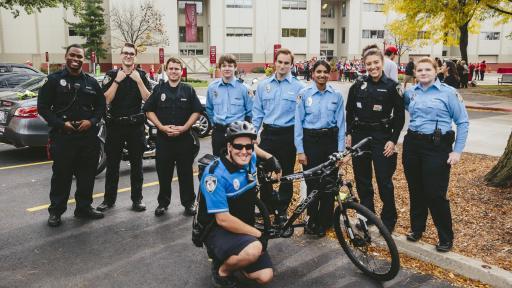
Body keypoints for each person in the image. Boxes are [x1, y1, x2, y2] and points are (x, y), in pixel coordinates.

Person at [197, 121, 281, 287]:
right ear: (229, 146)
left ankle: (238, 259)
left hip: (242, 225)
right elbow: (223, 220)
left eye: (248, 147)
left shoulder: (250, 159)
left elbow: (255, 149)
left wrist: (271, 158)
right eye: (238, 146)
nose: (244, 152)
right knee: (255, 248)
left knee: (265, 276)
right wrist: (258, 234)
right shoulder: (214, 175)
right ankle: (222, 270)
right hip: (217, 229)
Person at [403, 57, 469, 252]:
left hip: (437, 146)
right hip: (413, 144)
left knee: (435, 193)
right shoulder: (410, 93)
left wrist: (457, 151)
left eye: (427, 69)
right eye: (419, 70)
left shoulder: (448, 93)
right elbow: (408, 108)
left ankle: (445, 237)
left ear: (436, 70)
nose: (423, 73)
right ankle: (417, 228)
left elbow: (463, 122)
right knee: (416, 190)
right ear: (415, 73)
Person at [37, 44, 106, 227]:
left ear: (84, 60)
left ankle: (83, 208)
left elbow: (101, 106)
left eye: (79, 57)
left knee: (86, 176)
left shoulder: (91, 82)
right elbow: (43, 108)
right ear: (66, 56)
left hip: (87, 138)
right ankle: (56, 212)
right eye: (72, 55)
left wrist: (91, 122)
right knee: (61, 176)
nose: (75, 59)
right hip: (63, 137)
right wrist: (61, 124)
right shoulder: (53, 80)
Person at [345, 44, 405, 233]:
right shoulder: (358, 85)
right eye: (369, 64)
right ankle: (367, 216)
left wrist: (393, 140)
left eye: (376, 63)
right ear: (364, 65)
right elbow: (349, 111)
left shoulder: (393, 87)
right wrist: (349, 133)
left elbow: (400, 116)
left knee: (383, 180)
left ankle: (388, 219)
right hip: (360, 136)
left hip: (382, 137)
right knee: (362, 179)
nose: (372, 67)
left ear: (382, 62)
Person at [144, 57, 202, 217]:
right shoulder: (159, 90)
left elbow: (197, 111)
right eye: (171, 68)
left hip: (184, 140)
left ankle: (189, 203)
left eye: (177, 69)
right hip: (164, 140)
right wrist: (161, 127)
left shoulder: (188, 90)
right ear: (166, 70)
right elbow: (149, 110)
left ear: (181, 71)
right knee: (164, 174)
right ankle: (163, 203)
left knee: (185, 174)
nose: (174, 71)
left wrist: (184, 128)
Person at [252, 48, 305, 226]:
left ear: (291, 65)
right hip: (268, 134)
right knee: (263, 172)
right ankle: (267, 208)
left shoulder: (299, 87)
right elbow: (258, 112)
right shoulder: (263, 86)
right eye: (280, 62)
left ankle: (281, 210)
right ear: (275, 62)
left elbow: (301, 116)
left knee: (286, 175)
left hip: (287, 135)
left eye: (286, 63)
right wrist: (253, 134)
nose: (282, 66)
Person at [98, 43, 151, 213]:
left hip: (135, 125)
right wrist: (117, 81)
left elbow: (148, 99)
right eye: (125, 53)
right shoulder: (111, 74)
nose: (128, 56)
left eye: (131, 53)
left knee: (137, 165)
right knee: (112, 165)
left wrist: (138, 81)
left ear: (135, 56)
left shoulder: (141, 75)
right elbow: (105, 99)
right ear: (121, 55)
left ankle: (137, 200)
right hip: (116, 126)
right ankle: (108, 200)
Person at [295, 60, 346, 237]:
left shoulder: (336, 96)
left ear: (330, 74)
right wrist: (300, 150)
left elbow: (341, 124)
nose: (322, 75)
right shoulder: (304, 94)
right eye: (318, 72)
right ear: (313, 74)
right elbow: (298, 124)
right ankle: (312, 219)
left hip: (330, 142)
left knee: (329, 184)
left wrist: (340, 151)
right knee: (312, 183)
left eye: (325, 71)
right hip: (311, 142)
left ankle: (325, 221)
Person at [206, 54, 252, 156]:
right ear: (220, 68)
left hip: (238, 133)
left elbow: (250, 112)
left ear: (235, 68)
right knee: (219, 164)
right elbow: (209, 109)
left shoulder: (244, 88)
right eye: (224, 66)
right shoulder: (212, 88)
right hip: (219, 133)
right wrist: (215, 125)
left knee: (238, 164)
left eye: (230, 66)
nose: (227, 68)